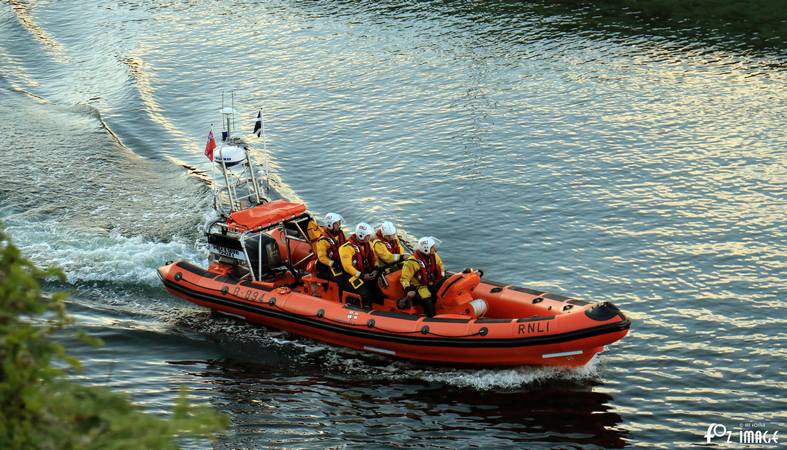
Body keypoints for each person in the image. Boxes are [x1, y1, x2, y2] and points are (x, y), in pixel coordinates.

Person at [400, 236, 445, 317]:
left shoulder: (435, 256)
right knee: (427, 298)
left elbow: (440, 266)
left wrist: (442, 275)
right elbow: (404, 279)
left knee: (445, 284)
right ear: (426, 249)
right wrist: (408, 290)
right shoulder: (412, 262)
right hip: (420, 286)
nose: (435, 249)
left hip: (432, 282)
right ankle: (430, 316)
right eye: (432, 247)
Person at [339, 223, 380, 309]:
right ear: (361, 235)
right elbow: (348, 267)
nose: (370, 237)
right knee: (365, 292)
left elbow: (375, 259)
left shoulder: (369, 244)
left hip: (366, 272)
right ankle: (366, 308)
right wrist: (362, 276)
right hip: (351, 276)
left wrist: (375, 270)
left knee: (379, 285)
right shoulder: (346, 248)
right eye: (368, 236)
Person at [314, 212, 346, 281]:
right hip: (327, 266)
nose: (339, 225)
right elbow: (322, 257)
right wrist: (333, 263)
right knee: (342, 280)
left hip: (339, 261)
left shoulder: (340, 234)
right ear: (330, 225)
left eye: (339, 223)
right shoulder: (322, 240)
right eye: (336, 223)